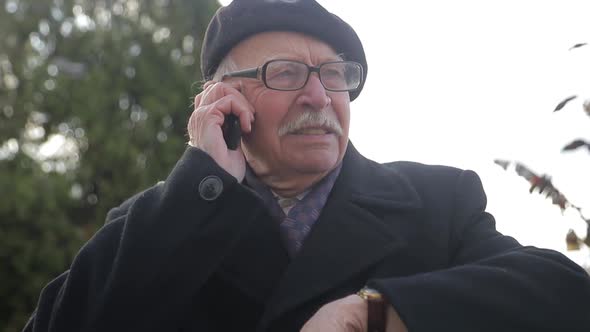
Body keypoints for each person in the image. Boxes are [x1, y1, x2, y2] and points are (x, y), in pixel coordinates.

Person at [24, 0, 590, 331]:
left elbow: (565, 294)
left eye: (335, 74)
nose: (320, 97)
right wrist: (200, 185)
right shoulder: (155, 223)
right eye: (286, 73)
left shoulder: (438, 201)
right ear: (222, 99)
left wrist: (379, 313)